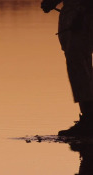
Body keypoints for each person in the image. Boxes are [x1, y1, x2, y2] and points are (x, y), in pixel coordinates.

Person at [41, 0, 93, 136]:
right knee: (81, 68)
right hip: (76, 18)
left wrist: (80, 16)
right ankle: (88, 118)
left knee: (79, 70)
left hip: (80, 20)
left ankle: (88, 121)